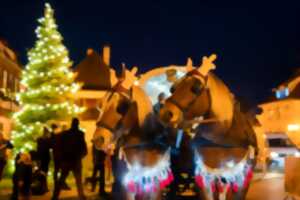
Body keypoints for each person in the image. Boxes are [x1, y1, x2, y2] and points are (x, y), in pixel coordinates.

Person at [51, 118, 87, 200]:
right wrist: (80, 156)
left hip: (66, 160)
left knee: (61, 179)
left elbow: (60, 146)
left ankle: (55, 196)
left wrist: (61, 158)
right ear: (78, 124)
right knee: (78, 181)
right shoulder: (80, 134)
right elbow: (83, 147)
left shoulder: (65, 134)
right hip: (76, 160)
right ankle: (81, 196)